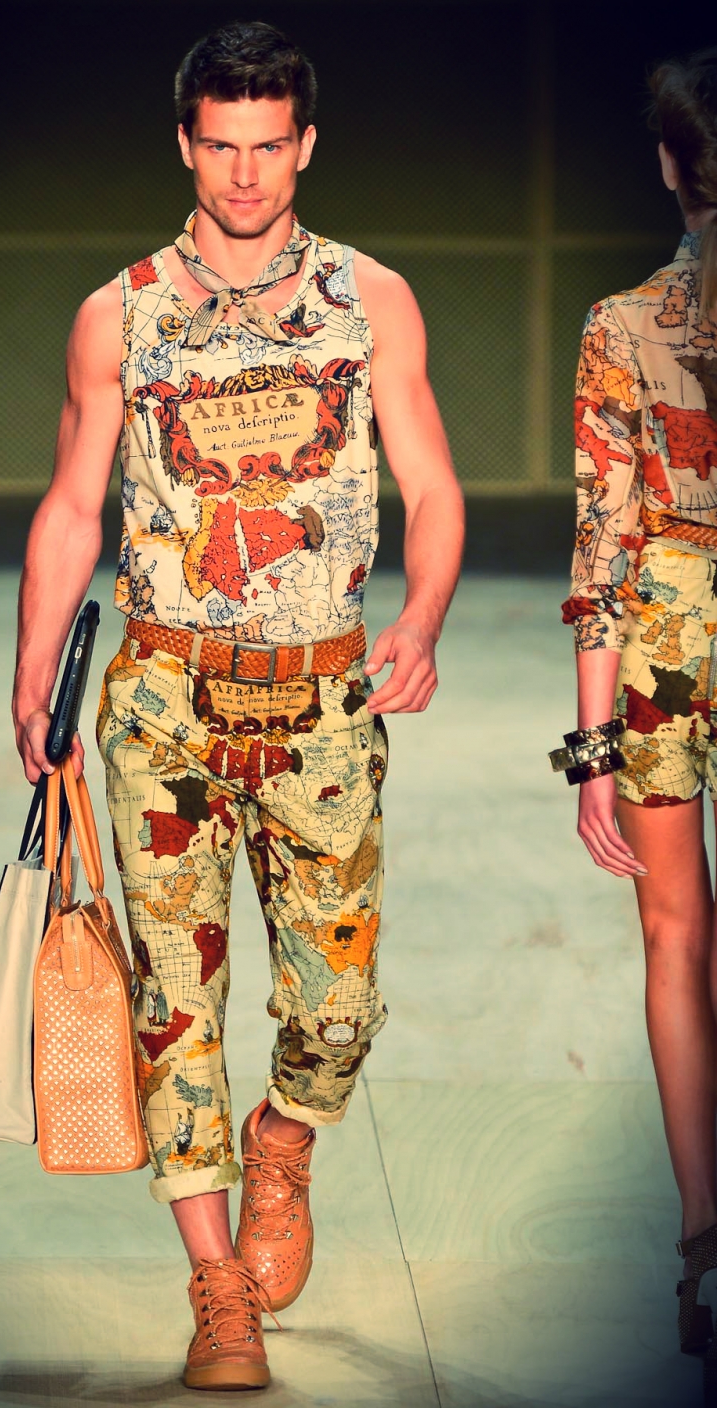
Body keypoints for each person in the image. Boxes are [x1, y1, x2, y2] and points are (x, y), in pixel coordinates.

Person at [13, 21, 463, 1391]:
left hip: (322, 702)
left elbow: (433, 486)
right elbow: (74, 504)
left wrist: (422, 620)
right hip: (163, 704)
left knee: (340, 1008)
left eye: (270, 145)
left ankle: (283, 1140)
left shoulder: (371, 300)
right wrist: (33, 672)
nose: (247, 173)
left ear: (306, 144)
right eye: (222, 145)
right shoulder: (120, 314)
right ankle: (218, 1290)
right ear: (185, 145)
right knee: (174, 1006)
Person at [559, 46, 717, 1397]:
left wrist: (591, 750)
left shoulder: (623, 325)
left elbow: (603, 543)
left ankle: (703, 1246)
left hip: (670, 644)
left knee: (675, 937)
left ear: (671, 163)